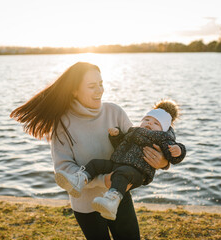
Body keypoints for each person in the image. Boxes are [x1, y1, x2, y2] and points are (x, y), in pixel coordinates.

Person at [10, 62, 173, 240]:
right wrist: (104, 180)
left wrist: (164, 162)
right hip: (86, 207)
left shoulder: (115, 112)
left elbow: (140, 145)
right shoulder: (63, 124)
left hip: (118, 196)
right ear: (74, 90)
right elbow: (63, 168)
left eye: (101, 84)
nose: (100, 90)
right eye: (92, 86)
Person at [55, 99, 186, 220]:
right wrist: (116, 135)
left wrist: (177, 151)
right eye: (147, 120)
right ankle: (80, 180)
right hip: (117, 163)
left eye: (156, 123)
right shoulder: (134, 131)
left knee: (121, 174)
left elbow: (172, 154)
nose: (149, 123)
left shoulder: (162, 137)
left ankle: (112, 200)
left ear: (163, 128)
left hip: (137, 171)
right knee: (96, 163)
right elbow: (122, 144)